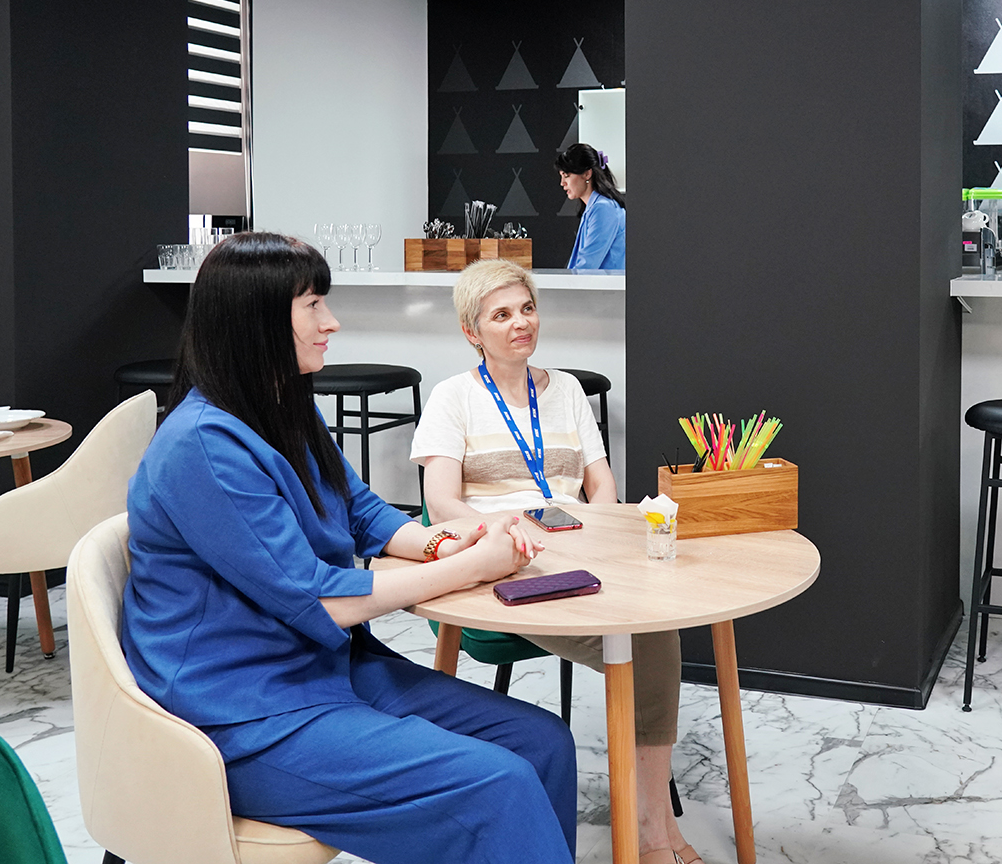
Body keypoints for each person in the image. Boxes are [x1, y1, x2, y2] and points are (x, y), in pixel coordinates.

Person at [121, 232, 577, 864]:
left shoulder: (281, 407)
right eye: (313, 305)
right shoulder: (202, 446)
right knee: (498, 785)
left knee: (543, 743)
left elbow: (363, 512)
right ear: (256, 322)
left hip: (327, 669)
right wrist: (473, 565)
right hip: (244, 715)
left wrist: (448, 539)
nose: (331, 322)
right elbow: (320, 600)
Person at [411, 259, 701, 864]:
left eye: (527, 309)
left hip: (579, 557)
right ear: (471, 331)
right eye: (501, 315)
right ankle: (653, 832)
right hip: (503, 567)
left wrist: (597, 537)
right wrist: (505, 532)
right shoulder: (452, 397)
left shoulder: (566, 390)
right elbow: (440, 502)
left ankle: (651, 822)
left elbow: (601, 485)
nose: (521, 323)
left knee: (657, 624)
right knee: (650, 641)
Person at [558, 142, 626, 269]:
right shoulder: (595, 207)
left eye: (566, 176)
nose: (562, 183)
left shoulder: (603, 208)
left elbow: (587, 265)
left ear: (587, 174)